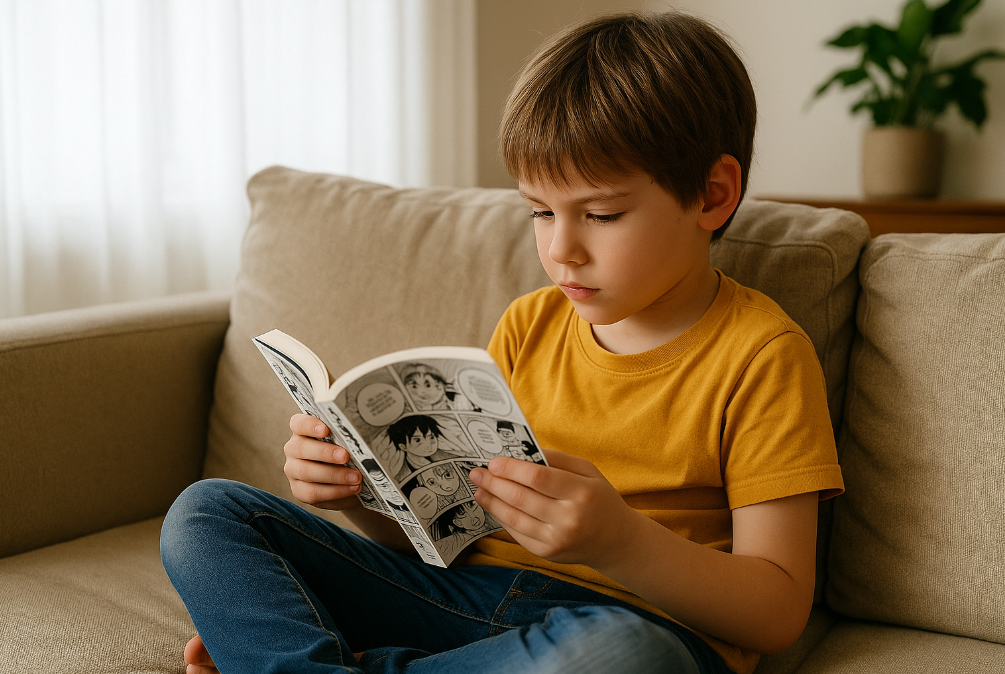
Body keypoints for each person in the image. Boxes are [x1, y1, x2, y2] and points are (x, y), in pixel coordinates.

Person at [161, 11, 843, 674]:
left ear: (713, 195)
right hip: (464, 598)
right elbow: (454, 540)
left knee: (619, 655)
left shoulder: (762, 355)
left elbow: (777, 612)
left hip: (631, 629)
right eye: (540, 211)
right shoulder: (528, 324)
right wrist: (357, 494)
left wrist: (621, 542)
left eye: (601, 214)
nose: (561, 249)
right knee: (207, 513)